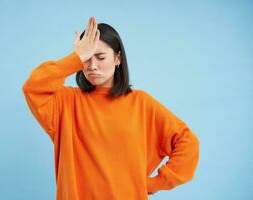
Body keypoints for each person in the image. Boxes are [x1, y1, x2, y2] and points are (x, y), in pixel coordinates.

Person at [22, 16, 200, 200]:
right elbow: (33, 87)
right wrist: (75, 58)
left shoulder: (141, 103)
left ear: (118, 59)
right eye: (86, 59)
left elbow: (188, 143)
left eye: (100, 57)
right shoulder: (66, 103)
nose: (92, 66)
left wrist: (154, 183)